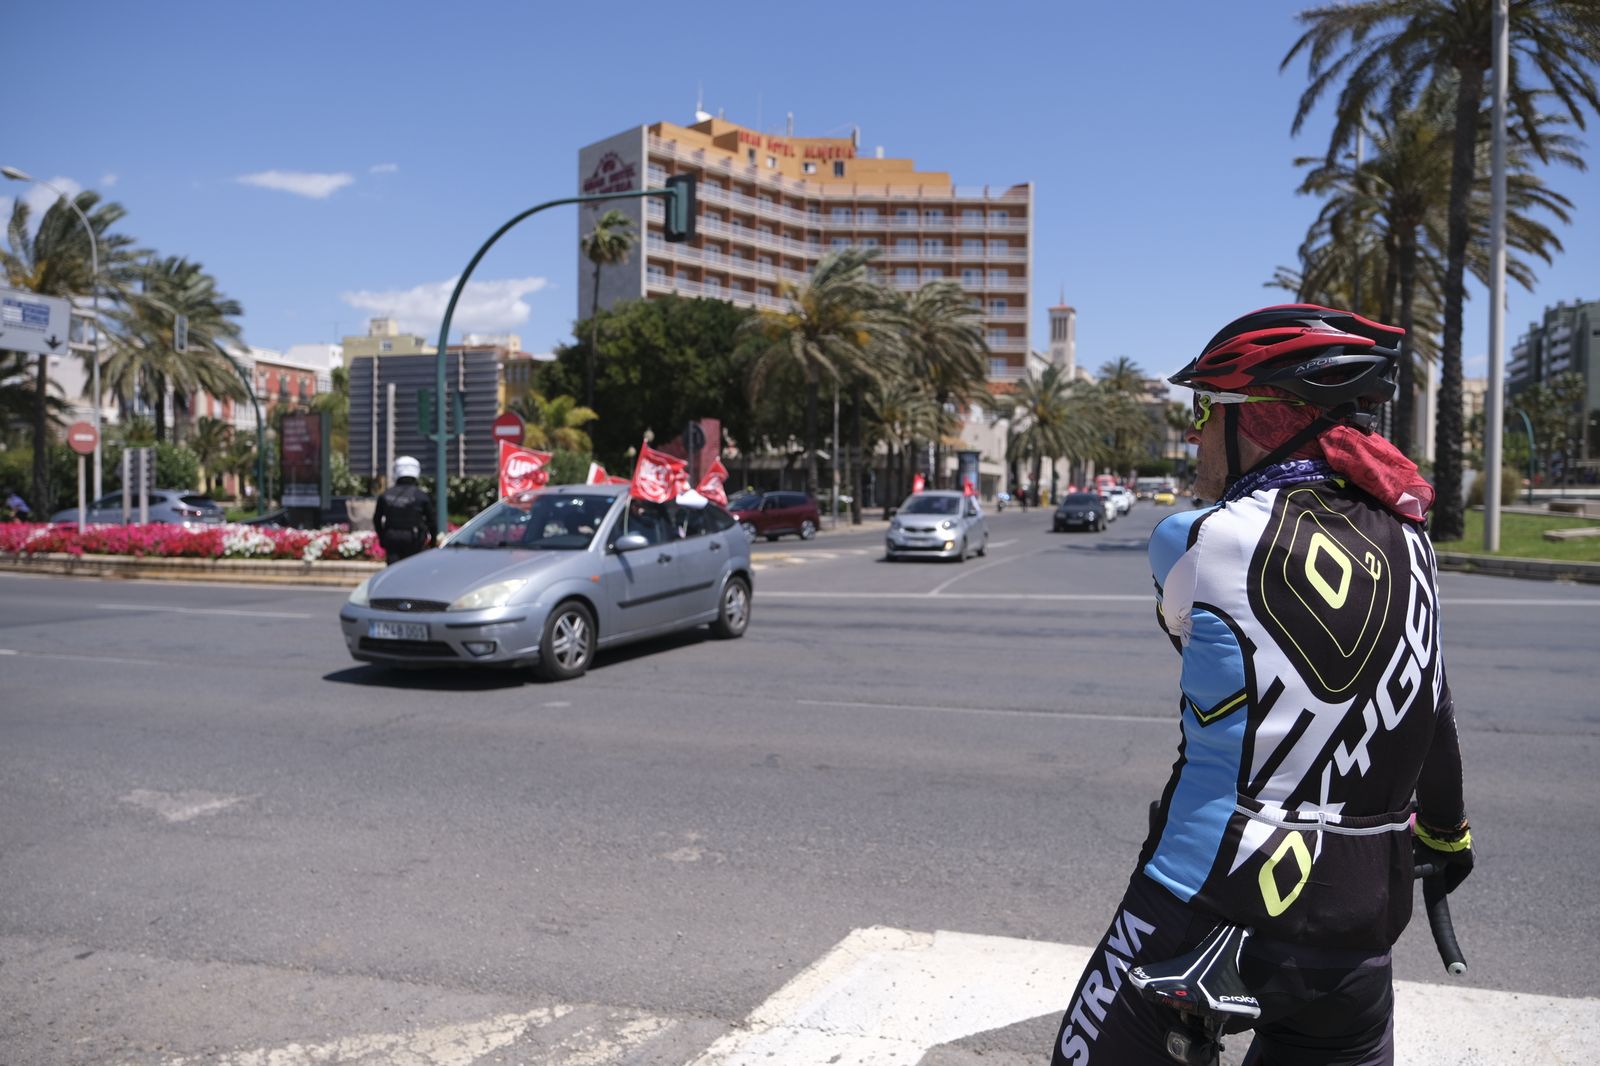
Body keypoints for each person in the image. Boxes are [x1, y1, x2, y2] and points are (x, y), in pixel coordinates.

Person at [1049, 305, 1472, 1066]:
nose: (1194, 434)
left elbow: (1192, 639)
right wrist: (1448, 836)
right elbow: (1432, 709)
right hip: (1360, 925)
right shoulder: (1416, 543)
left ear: (1269, 420)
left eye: (1207, 410)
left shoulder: (1196, 540)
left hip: (1205, 904)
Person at [373, 456, 437, 566]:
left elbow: (376, 519)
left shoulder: (385, 495)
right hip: (415, 539)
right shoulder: (421, 496)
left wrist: (382, 538)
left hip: (392, 537)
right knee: (413, 570)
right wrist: (433, 541)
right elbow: (432, 521)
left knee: (393, 571)